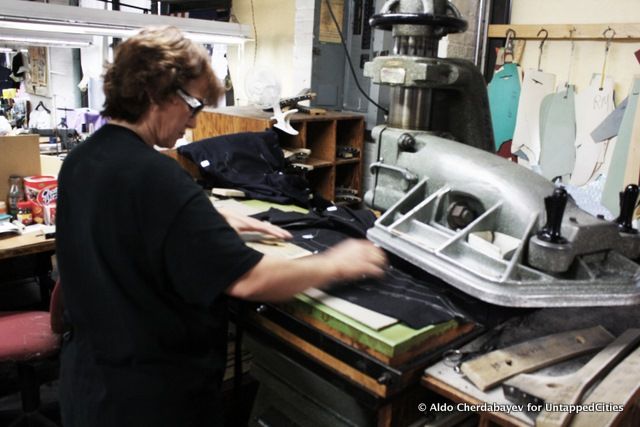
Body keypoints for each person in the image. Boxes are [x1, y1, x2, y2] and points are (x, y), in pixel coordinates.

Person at [56, 26, 387, 427]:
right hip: (151, 400)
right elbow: (251, 280)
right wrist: (338, 263)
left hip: (89, 386)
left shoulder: (83, 160)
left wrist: (203, 222)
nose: (194, 123)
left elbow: (128, 231)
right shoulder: (156, 176)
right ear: (157, 93)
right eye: (194, 106)